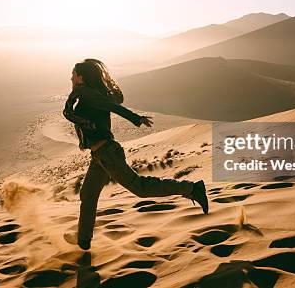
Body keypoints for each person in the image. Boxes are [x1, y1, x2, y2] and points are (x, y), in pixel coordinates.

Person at [63, 59, 209, 250]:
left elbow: (113, 107)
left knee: (140, 188)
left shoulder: (88, 95)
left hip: (108, 154)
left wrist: (136, 118)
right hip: (99, 157)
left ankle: (192, 189)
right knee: (88, 195)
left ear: (81, 77)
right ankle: (83, 242)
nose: (71, 77)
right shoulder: (84, 94)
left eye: (73, 73)